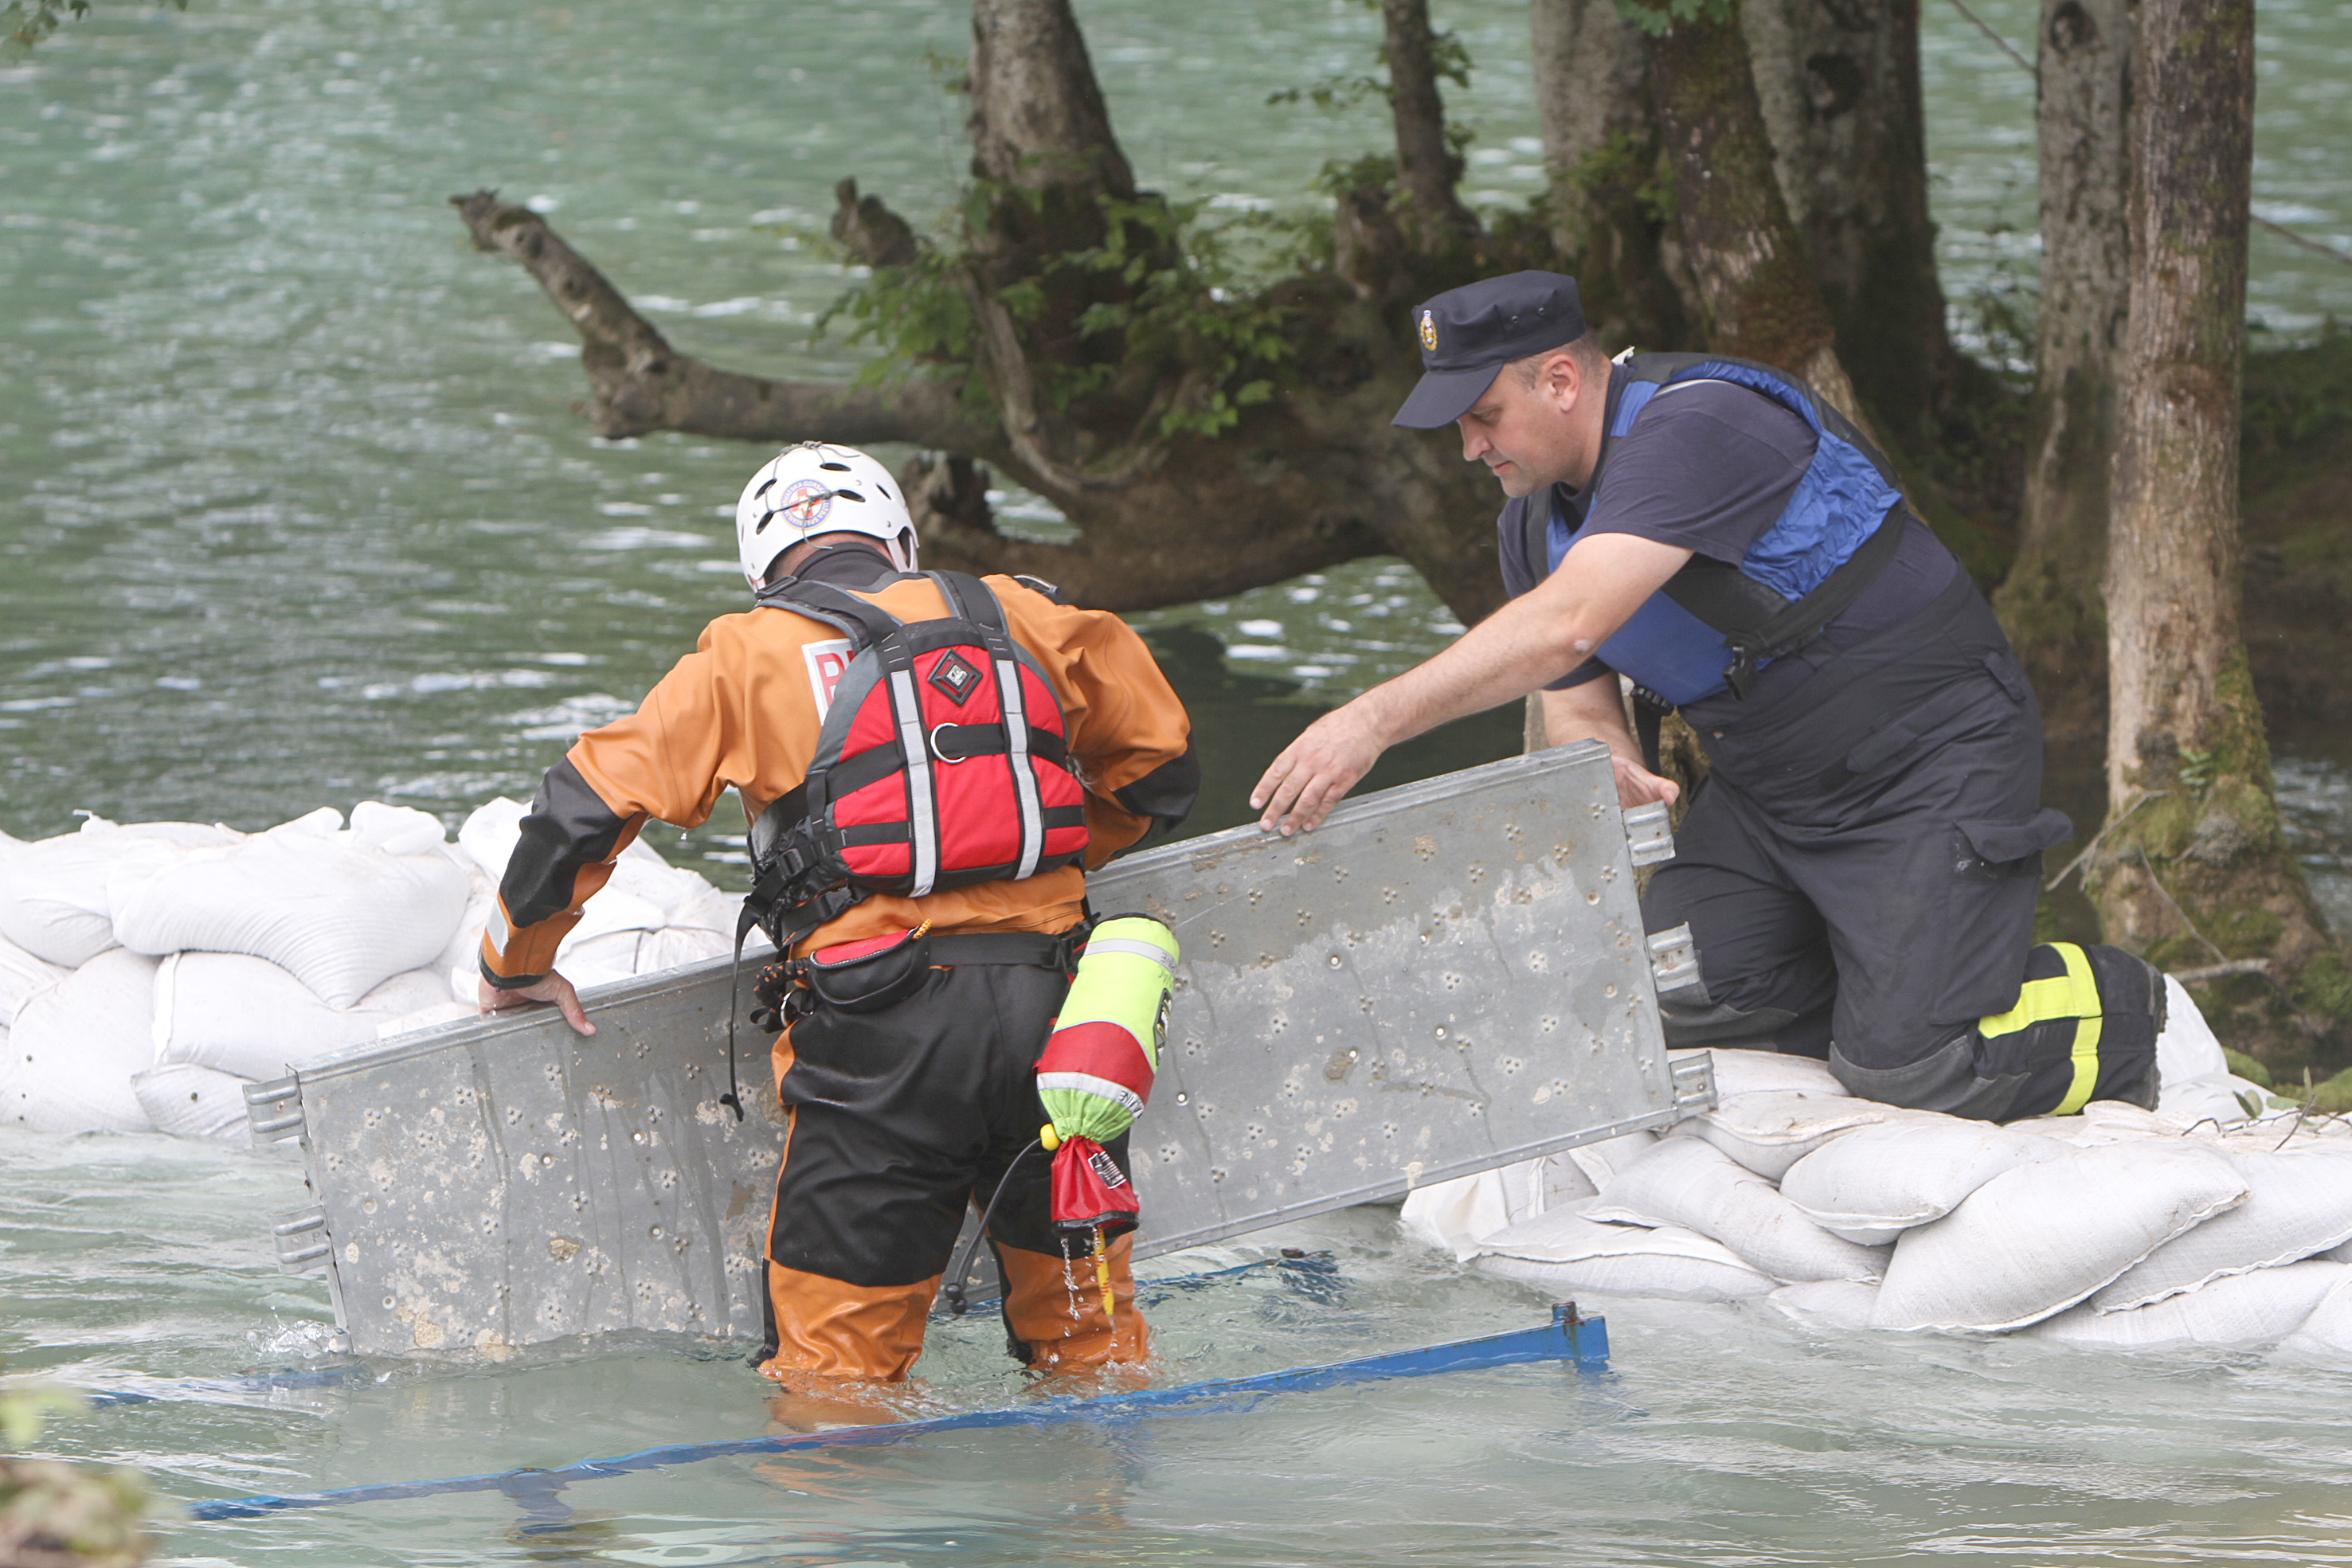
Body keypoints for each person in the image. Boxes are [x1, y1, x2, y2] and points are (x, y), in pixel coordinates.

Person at [1250, 271, 2161, 1123]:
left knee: (1914, 1069)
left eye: (1484, 417)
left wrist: (1370, 720)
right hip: (1770, 788)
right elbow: (1575, 691)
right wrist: (1603, 756)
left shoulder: (1698, 426)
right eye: (1459, 427)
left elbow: (1568, 625)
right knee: (1665, 992)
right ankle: (1895, 984)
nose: (1469, 448)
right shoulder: (1527, 529)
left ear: (1560, 380)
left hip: (1927, 755)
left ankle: (2124, 1006)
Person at [477, 441, 1199, 1390]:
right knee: (1092, 1344)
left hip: (877, 1036)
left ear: (760, 571)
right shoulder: (1027, 613)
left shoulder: (741, 654)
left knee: (836, 1382)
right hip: (1063, 1019)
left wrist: (515, 962)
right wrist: (1031, 852)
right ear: (901, 541)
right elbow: (1159, 772)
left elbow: (581, 809)